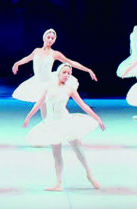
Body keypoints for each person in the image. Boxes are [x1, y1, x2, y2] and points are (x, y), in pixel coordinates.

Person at [23, 63, 105, 191]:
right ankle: (58, 183)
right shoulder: (48, 87)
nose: (66, 75)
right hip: (51, 123)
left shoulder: (70, 89)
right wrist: (28, 117)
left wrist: (98, 118)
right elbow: (39, 103)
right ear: (59, 73)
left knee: (77, 149)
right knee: (56, 155)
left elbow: (83, 105)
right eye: (64, 72)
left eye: (69, 73)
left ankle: (89, 174)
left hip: (65, 121)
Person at [12, 28, 97, 118]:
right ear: (44, 38)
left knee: (49, 106)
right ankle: (47, 123)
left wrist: (88, 70)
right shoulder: (36, 51)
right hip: (37, 82)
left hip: (49, 82)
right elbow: (27, 58)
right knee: (42, 106)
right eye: (48, 37)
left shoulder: (55, 54)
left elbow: (70, 62)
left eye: (52, 38)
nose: (50, 40)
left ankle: (56, 121)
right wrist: (17, 63)